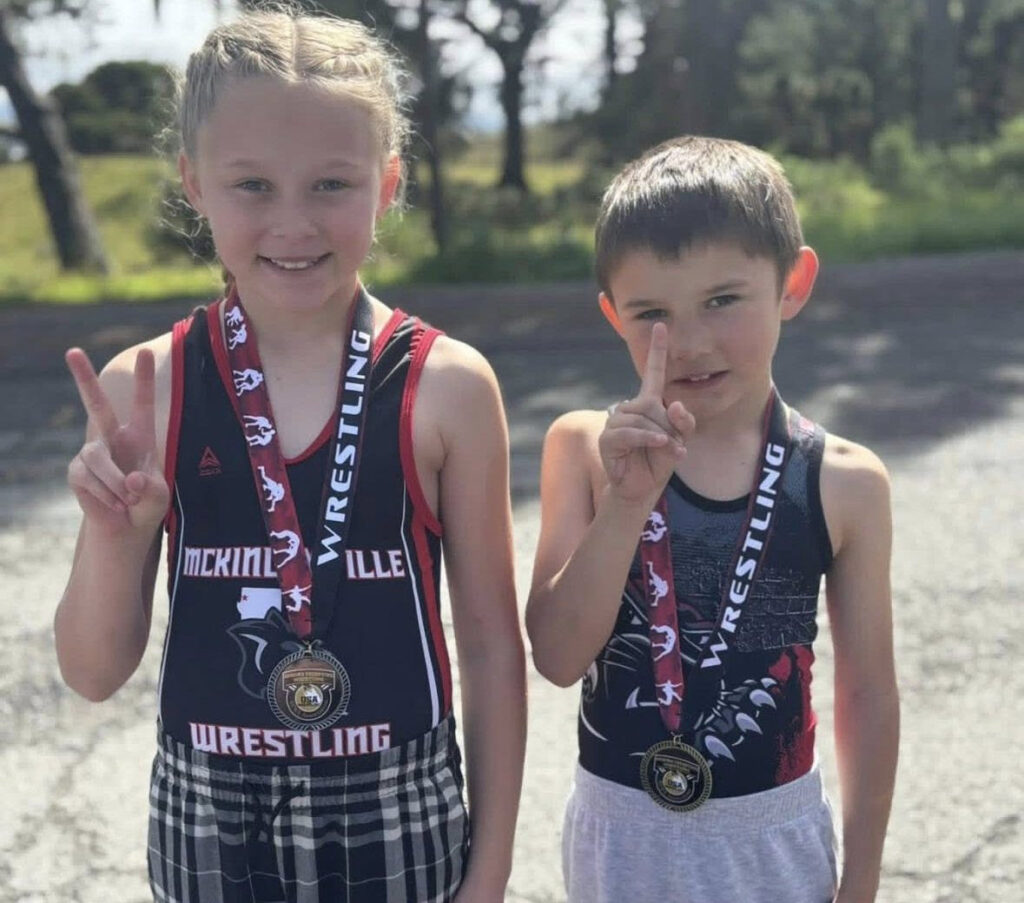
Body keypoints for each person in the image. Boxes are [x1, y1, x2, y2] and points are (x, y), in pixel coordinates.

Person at [54, 8, 526, 902]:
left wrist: (491, 869)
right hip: (207, 828)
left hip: (401, 818)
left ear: (388, 183)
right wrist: (117, 533)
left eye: (332, 184)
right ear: (194, 182)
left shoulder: (449, 385)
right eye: (253, 186)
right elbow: (91, 671)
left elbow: (493, 648)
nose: (294, 223)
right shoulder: (146, 390)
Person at [526, 136, 899, 903]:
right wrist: (626, 503)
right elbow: (558, 657)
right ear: (613, 315)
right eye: (652, 313)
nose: (691, 343)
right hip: (620, 841)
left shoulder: (844, 481)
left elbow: (868, 694)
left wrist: (861, 879)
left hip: (773, 843)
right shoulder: (585, 451)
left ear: (793, 283)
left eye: (723, 299)